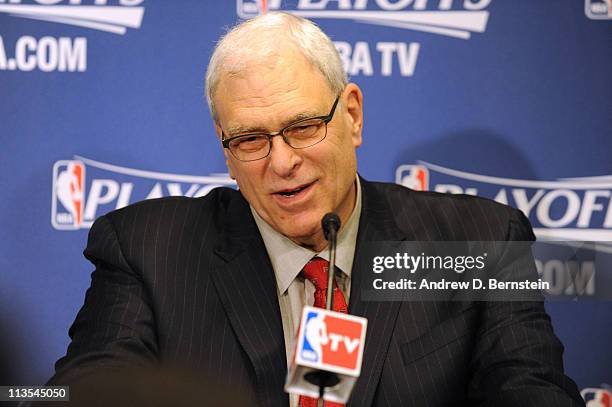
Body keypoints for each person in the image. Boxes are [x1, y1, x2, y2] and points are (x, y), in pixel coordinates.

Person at [49, 12, 585, 407]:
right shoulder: (151, 250)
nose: (282, 163)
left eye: (304, 127)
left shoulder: (476, 243)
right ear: (225, 148)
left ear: (351, 114)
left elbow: (531, 391)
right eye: (251, 139)